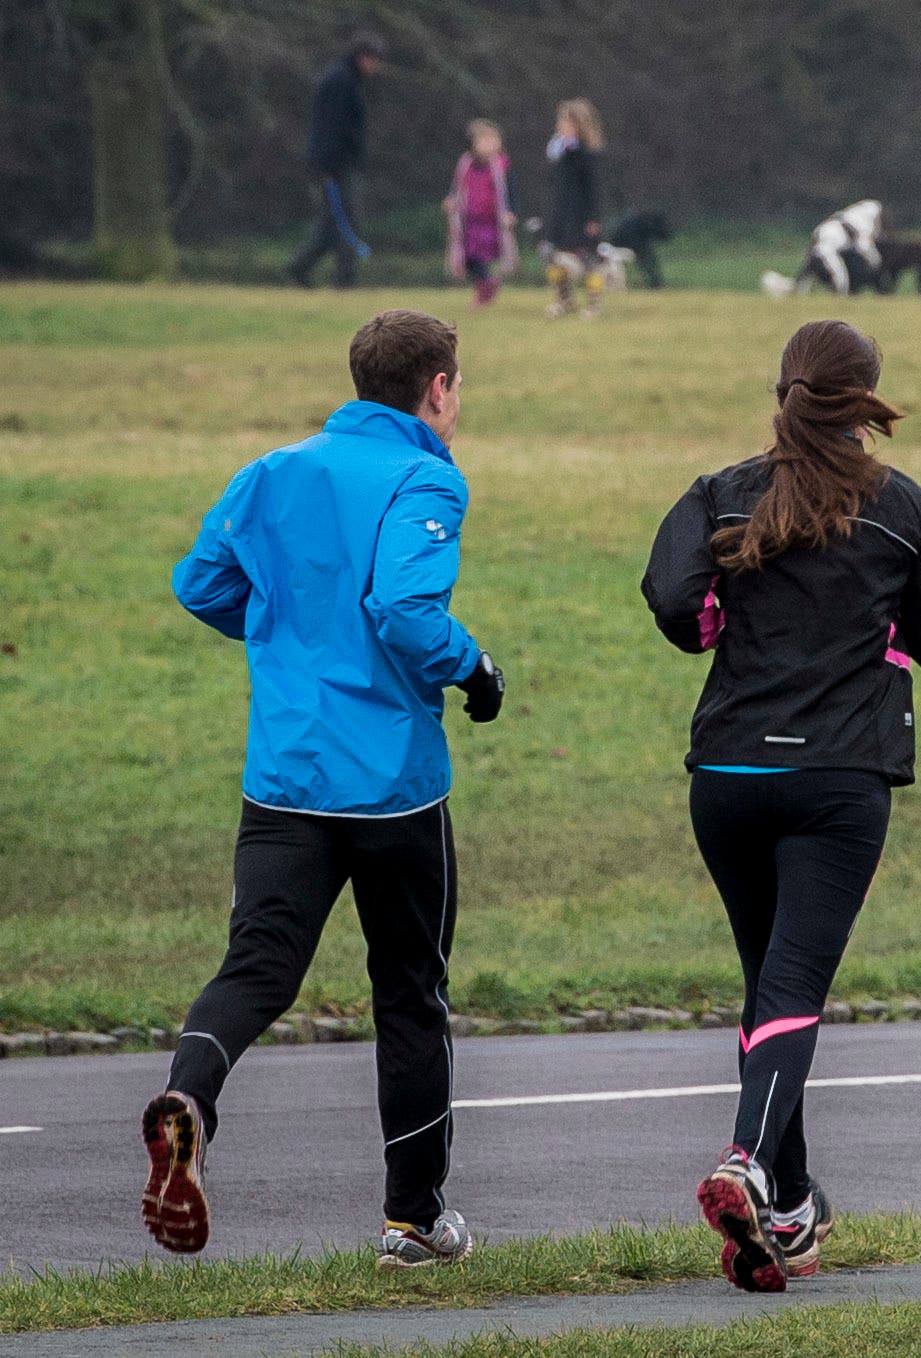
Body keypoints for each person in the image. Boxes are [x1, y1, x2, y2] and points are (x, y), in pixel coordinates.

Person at [142, 310, 507, 1270]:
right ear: (436, 387)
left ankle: (189, 1100)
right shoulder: (426, 476)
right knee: (410, 996)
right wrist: (474, 671)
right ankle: (413, 1220)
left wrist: (286, 642)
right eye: (456, 385)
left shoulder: (273, 471)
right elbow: (401, 608)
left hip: (286, 779)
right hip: (392, 789)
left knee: (257, 966)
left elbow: (199, 584)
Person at [641, 320, 921, 1292]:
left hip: (728, 780)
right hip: (838, 783)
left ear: (781, 387)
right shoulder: (901, 508)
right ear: (865, 398)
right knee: (792, 986)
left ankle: (786, 1208)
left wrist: (725, 616)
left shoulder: (720, 494)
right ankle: (746, 1160)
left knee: (769, 990)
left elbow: (675, 605)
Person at [287, 31, 386, 289]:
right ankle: (344, 280)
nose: (377, 67)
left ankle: (300, 267)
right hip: (334, 167)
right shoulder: (340, 83)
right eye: (375, 60)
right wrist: (324, 167)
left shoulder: (345, 80)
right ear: (363, 58)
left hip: (337, 165)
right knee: (347, 221)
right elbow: (328, 128)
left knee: (333, 223)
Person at [541, 98, 606, 318]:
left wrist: (594, 218)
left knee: (588, 259)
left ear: (580, 125)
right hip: (561, 215)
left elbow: (595, 189)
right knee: (553, 256)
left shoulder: (587, 154)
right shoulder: (558, 152)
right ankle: (564, 300)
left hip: (581, 216)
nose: (561, 125)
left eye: (567, 122)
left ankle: (593, 305)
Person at [444, 120, 518, 307]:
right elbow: (457, 188)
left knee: (484, 254)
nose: (490, 144)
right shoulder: (466, 164)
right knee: (469, 256)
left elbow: (511, 191)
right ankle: (486, 284)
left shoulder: (501, 165)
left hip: (492, 221)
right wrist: (452, 202)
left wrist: (511, 212)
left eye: (493, 140)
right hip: (470, 220)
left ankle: (485, 287)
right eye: (485, 140)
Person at [760, 200, 885, 297]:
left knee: (800, 287)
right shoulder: (862, 223)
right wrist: (875, 262)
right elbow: (864, 247)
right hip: (826, 252)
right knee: (841, 285)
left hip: (820, 246)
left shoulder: (848, 215)